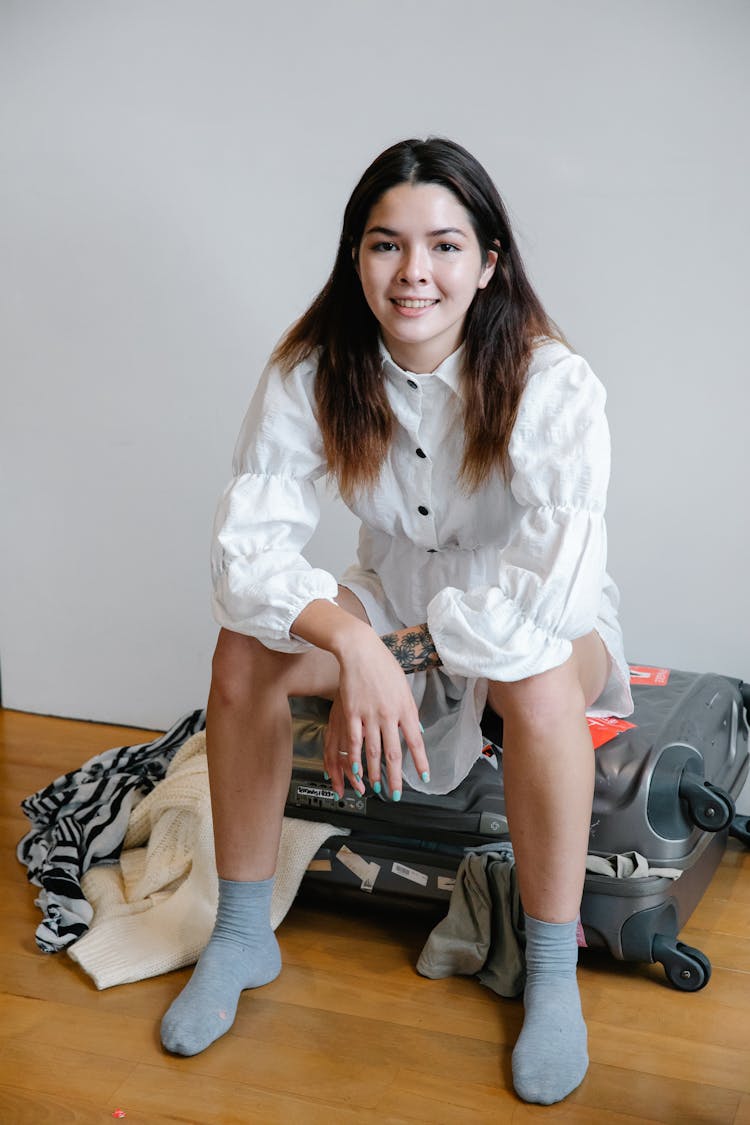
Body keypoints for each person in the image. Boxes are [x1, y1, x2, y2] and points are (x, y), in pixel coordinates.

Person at [160, 137, 633, 1105]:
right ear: (355, 257)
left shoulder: (552, 383)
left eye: (445, 245)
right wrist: (354, 640)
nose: (415, 272)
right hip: (386, 594)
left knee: (539, 684)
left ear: (489, 261)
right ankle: (244, 935)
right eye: (386, 245)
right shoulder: (310, 371)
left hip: (524, 616)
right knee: (244, 652)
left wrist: (393, 654)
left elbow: (548, 600)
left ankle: (552, 971)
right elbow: (247, 557)